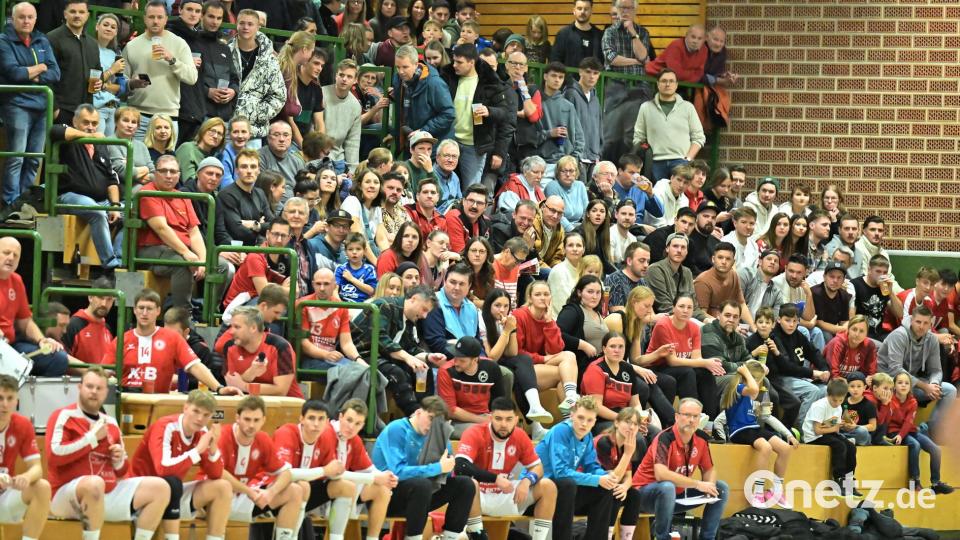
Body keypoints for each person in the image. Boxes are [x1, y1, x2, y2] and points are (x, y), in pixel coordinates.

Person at [46, 367, 173, 540]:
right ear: (79, 387)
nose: (93, 392)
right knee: (94, 484)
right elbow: (54, 456)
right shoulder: (64, 416)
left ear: (106, 392)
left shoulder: (110, 422)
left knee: (161, 487)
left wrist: (119, 460)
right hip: (67, 496)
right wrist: (91, 439)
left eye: (99, 388)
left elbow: (122, 472)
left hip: (106, 492)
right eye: (89, 386)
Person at [372, 396, 482, 540]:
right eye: (430, 418)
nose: (433, 426)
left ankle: (450, 537)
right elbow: (397, 472)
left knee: (465, 484)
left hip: (421, 496)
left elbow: (446, 474)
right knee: (422, 484)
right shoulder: (396, 429)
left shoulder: (438, 435)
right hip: (388, 496)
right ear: (418, 413)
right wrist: (438, 467)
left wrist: (448, 466)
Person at [130, 389, 235, 539]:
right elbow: (163, 470)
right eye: (196, 411)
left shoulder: (202, 432)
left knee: (223, 487)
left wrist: (213, 448)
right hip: (143, 492)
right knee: (171, 483)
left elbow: (216, 474)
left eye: (206, 415)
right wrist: (197, 451)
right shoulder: (166, 426)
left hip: (172, 492)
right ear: (185, 408)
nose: (200, 418)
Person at [454, 397, 557, 540]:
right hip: (478, 496)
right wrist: (495, 479)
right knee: (470, 484)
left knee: (548, 486)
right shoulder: (475, 432)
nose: (503, 424)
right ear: (490, 418)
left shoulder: (520, 435)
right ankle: (477, 535)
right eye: (498, 419)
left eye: (508, 419)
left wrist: (527, 481)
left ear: (515, 420)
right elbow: (460, 466)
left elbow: (537, 467)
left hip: (506, 493)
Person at [632, 397, 730, 540]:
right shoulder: (665, 438)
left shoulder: (701, 439)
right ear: (677, 417)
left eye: (695, 416)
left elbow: (709, 469)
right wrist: (698, 484)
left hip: (676, 497)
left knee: (721, 488)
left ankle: (708, 537)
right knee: (667, 487)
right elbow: (661, 474)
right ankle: (662, 537)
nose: (691, 420)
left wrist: (709, 485)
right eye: (687, 415)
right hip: (644, 496)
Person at [208, 396, 304, 539]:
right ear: (237, 418)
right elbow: (218, 472)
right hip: (216, 499)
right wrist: (250, 492)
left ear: (263, 420)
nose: (251, 425)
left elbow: (286, 473)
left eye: (256, 420)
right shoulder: (223, 435)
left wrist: (271, 493)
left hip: (244, 497)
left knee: (295, 490)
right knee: (222, 486)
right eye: (247, 419)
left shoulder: (263, 438)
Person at [140, 155, 228, 308]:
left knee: (221, 265)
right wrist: (186, 253)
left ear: (179, 175)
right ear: (155, 172)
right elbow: (161, 229)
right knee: (182, 264)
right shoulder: (148, 193)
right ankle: (183, 315)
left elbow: (194, 232)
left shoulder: (183, 196)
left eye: (173, 172)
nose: (169, 175)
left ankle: (206, 311)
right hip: (154, 249)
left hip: (179, 250)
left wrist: (202, 259)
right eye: (164, 171)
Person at [113, 288, 238, 394]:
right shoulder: (121, 340)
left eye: (149, 309)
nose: (144, 313)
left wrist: (219, 388)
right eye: (141, 308)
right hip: (126, 399)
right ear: (134, 310)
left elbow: (195, 366)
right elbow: (106, 372)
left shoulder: (172, 338)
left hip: (159, 401)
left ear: (158, 311)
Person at [48, 103, 124, 271]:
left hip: (101, 199)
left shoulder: (100, 145)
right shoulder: (67, 135)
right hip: (69, 195)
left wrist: (115, 206)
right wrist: (88, 136)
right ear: (75, 121)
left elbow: (111, 179)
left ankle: (120, 259)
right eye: (86, 122)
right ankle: (110, 264)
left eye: (94, 123)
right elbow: (56, 131)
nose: (90, 127)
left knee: (133, 212)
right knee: (96, 211)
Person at [0, 1, 61, 205]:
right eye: (22, 17)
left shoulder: (42, 40)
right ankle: (10, 203)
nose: (26, 21)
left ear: (35, 19)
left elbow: (55, 72)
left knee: (35, 158)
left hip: (43, 106)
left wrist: (33, 74)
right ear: (13, 19)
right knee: (16, 157)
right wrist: (40, 67)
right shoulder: (3, 41)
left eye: (30, 17)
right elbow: (13, 73)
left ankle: (24, 203)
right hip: (17, 104)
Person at [353, 285, 446, 414]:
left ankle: (425, 411)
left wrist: (428, 357)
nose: (425, 316)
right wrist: (408, 358)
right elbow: (380, 339)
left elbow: (410, 347)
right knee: (397, 373)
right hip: (364, 354)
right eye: (424, 309)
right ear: (413, 299)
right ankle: (415, 416)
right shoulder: (384, 305)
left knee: (424, 370)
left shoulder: (409, 319)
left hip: (385, 356)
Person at [536, 396, 617, 540]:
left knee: (605, 488)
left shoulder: (587, 436)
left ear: (595, 422)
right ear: (572, 415)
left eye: (590, 420)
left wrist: (605, 475)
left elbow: (591, 466)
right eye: (580, 417)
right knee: (568, 483)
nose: (584, 424)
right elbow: (560, 473)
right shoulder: (560, 431)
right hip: (540, 491)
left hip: (564, 493)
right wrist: (597, 479)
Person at [721, 361, 796, 507]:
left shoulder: (749, 389)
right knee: (765, 447)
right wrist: (747, 373)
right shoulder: (739, 388)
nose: (760, 383)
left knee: (785, 449)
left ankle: (777, 490)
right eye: (758, 380)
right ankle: (758, 491)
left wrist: (758, 371)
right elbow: (754, 389)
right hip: (739, 430)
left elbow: (760, 376)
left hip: (753, 428)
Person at [122, 1, 198, 139]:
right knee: (136, 160)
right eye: (151, 17)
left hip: (168, 117)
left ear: (166, 19)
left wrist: (172, 59)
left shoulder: (179, 43)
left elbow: (192, 77)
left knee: (165, 161)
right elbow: (122, 81)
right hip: (138, 115)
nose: (155, 21)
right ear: (144, 18)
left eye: (159, 17)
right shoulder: (131, 46)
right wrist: (133, 83)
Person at [879, 306, 957, 431]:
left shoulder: (931, 339)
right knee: (902, 385)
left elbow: (936, 369)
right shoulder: (899, 335)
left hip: (911, 384)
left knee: (950, 390)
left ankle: (930, 430)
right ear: (911, 321)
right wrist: (925, 387)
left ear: (930, 324)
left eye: (925, 323)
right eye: (918, 322)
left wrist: (933, 385)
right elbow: (895, 370)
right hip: (889, 384)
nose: (921, 326)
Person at [0, 237, 69, 376]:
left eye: (15, 255)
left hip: (10, 346)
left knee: (59, 359)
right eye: (6, 252)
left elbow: (25, 322)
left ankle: (20, 395)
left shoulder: (17, 281)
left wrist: (42, 340)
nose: (11, 258)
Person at [447, 44, 514, 188]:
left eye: (459, 62)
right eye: (454, 61)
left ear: (471, 62)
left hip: (474, 146)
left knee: (471, 190)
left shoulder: (489, 82)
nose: (454, 65)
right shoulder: (450, 78)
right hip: (450, 141)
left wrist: (489, 111)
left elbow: (504, 113)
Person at [646, 295, 723, 418]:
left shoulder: (694, 327)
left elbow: (696, 359)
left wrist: (707, 364)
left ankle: (709, 420)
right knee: (688, 373)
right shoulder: (663, 325)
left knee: (705, 373)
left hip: (680, 367)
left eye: (689, 307)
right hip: (657, 367)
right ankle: (691, 414)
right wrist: (705, 362)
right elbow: (672, 361)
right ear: (673, 308)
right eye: (681, 306)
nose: (685, 310)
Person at [514, 280, 581, 415]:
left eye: (546, 294)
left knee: (569, 356)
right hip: (522, 369)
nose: (543, 298)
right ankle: (570, 413)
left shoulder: (548, 318)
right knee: (565, 374)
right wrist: (542, 358)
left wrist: (549, 323)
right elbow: (517, 352)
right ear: (530, 298)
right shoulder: (519, 315)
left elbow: (556, 350)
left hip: (540, 366)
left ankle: (570, 402)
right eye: (538, 294)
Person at [0, 373, 51, 540]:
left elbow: (37, 468)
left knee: (42, 487)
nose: (4, 404)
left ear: (17, 400)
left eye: (10, 398)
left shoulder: (22, 425)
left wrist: (26, 477)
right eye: (0, 398)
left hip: (4, 495)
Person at [632, 69, 704, 183]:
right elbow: (638, 137)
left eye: (671, 81)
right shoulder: (646, 107)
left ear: (676, 85)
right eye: (664, 81)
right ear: (658, 84)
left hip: (680, 162)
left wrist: (688, 159)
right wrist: (646, 155)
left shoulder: (688, 107)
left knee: (678, 198)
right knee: (656, 198)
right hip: (655, 163)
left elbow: (699, 137)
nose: (667, 84)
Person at [886, 372, 954, 493]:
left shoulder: (912, 401)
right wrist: (900, 436)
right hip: (894, 432)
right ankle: (914, 481)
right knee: (915, 445)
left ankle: (935, 483)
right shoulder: (889, 400)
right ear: (894, 385)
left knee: (936, 450)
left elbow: (908, 422)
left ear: (910, 386)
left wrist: (903, 435)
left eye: (907, 383)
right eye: (900, 382)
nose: (903, 385)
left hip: (908, 431)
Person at [229, 9, 286, 143]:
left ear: (258, 27)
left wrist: (254, 113)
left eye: (250, 24)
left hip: (254, 131)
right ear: (236, 24)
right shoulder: (225, 52)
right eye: (242, 23)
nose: (245, 27)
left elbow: (279, 96)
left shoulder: (270, 59)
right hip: (226, 127)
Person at [436, 336, 507, 437]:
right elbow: (451, 411)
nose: (456, 362)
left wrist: (496, 419)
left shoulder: (491, 368)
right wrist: (482, 420)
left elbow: (500, 401)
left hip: (484, 416)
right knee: (483, 433)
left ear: (475, 360)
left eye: (462, 360)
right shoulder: (446, 371)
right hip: (457, 421)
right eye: (455, 357)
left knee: (508, 431)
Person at [802, 378, 862, 496]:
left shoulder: (839, 407)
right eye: (834, 400)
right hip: (813, 437)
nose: (837, 403)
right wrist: (835, 428)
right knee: (840, 446)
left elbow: (831, 423)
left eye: (841, 400)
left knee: (851, 447)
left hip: (827, 432)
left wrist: (843, 425)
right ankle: (839, 479)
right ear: (828, 395)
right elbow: (817, 430)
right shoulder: (819, 406)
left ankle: (849, 481)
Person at [47, 0, 100, 125]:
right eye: (73, 11)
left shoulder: (93, 43)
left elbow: (98, 70)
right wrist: (54, 109)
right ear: (65, 14)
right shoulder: (52, 38)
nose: (77, 15)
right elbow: (46, 77)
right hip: (62, 110)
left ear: (87, 15)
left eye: (81, 12)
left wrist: (100, 81)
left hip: (86, 113)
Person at [394, 44, 455, 142]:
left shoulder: (434, 83)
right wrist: (394, 134)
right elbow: (401, 114)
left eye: (405, 67)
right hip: (413, 142)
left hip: (435, 145)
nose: (400, 71)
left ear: (416, 64)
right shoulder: (398, 81)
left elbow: (448, 114)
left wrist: (423, 131)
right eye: (398, 67)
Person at [215, 149, 275, 246]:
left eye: (253, 167)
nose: (249, 171)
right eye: (244, 167)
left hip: (258, 249)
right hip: (236, 249)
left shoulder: (260, 193)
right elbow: (238, 231)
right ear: (237, 170)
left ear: (259, 170)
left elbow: (274, 225)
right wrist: (262, 229)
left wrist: (255, 225)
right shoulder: (226, 195)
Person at [196, 1, 240, 124]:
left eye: (219, 18)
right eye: (211, 16)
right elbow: (185, 80)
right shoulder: (191, 43)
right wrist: (207, 92)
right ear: (201, 16)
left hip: (224, 116)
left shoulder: (224, 47)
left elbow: (234, 78)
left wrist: (233, 91)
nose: (215, 22)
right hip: (200, 115)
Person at [537, 62, 585, 176]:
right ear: (545, 76)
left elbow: (579, 137)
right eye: (553, 76)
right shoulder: (535, 102)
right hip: (541, 164)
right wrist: (549, 133)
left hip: (566, 165)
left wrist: (573, 160)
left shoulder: (568, 106)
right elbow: (529, 137)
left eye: (560, 77)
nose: (557, 80)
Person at [646, 233, 707, 320]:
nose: (679, 250)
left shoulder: (687, 272)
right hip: (664, 321)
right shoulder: (655, 270)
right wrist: (692, 321)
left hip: (685, 319)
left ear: (687, 252)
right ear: (667, 248)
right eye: (675, 246)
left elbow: (693, 306)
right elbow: (664, 306)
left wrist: (705, 319)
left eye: (683, 247)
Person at [694, 242, 754, 327]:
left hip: (731, 324)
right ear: (713, 259)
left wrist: (754, 329)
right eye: (720, 258)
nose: (724, 262)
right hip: (710, 327)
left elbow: (742, 305)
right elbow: (701, 314)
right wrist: (728, 326)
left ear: (733, 262)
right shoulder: (703, 281)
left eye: (728, 259)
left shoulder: (734, 275)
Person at [62, 278, 116, 365]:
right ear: (90, 297)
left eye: (109, 299)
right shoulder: (73, 325)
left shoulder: (107, 329)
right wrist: (91, 372)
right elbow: (62, 359)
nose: (104, 304)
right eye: (100, 298)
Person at [323, 59, 363, 173]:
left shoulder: (355, 106)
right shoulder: (322, 94)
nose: (344, 79)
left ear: (355, 80)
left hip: (338, 158)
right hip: (318, 154)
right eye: (341, 75)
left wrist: (352, 169)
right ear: (336, 76)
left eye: (349, 77)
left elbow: (353, 141)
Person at [851, 254, 903, 341]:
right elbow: (851, 318)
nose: (882, 275)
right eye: (878, 271)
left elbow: (899, 314)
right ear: (869, 270)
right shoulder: (855, 285)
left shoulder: (885, 288)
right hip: (861, 333)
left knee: (899, 339)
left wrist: (891, 293)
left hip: (878, 333)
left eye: (885, 272)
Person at [551, 0, 604, 67]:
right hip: (568, 77)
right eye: (579, 8)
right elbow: (555, 61)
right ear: (574, 11)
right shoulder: (563, 34)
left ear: (591, 11)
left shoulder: (599, 35)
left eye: (586, 9)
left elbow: (602, 63)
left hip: (592, 77)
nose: (582, 12)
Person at [606, 242, 650, 312]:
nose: (646, 265)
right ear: (629, 261)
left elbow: (649, 311)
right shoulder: (614, 279)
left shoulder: (643, 282)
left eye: (648, 261)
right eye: (642, 261)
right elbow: (618, 314)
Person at [446, 184, 491, 253]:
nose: (474, 206)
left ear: (486, 207)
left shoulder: (486, 221)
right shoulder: (453, 217)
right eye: (471, 200)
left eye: (479, 203)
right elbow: (460, 254)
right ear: (463, 201)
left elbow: (490, 252)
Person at [646, 165, 692, 229]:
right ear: (672, 178)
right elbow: (656, 221)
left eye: (685, 183)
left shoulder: (685, 201)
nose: (681, 185)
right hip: (654, 231)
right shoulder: (659, 190)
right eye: (679, 180)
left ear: (689, 185)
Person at [335, 232, 378, 302]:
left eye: (358, 249)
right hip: (343, 306)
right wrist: (341, 307)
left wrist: (352, 279)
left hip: (362, 307)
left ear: (364, 251)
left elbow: (372, 291)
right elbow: (334, 291)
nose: (354, 252)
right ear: (345, 251)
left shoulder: (369, 269)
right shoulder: (341, 268)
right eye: (350, 249)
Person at [841, 371, 877, 446]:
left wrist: (856, 426)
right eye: (852, 386)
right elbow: (836, 419)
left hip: (859, 433)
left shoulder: (869, 405)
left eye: (859, 386)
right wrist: (841, 424)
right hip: (845, 431)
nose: (855, 389)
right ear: (847, 388)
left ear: (864, 388)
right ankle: (847, 440)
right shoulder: (842, 402)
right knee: (833, 430)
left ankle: (846, 440)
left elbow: (873, 426)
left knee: (862, 432)